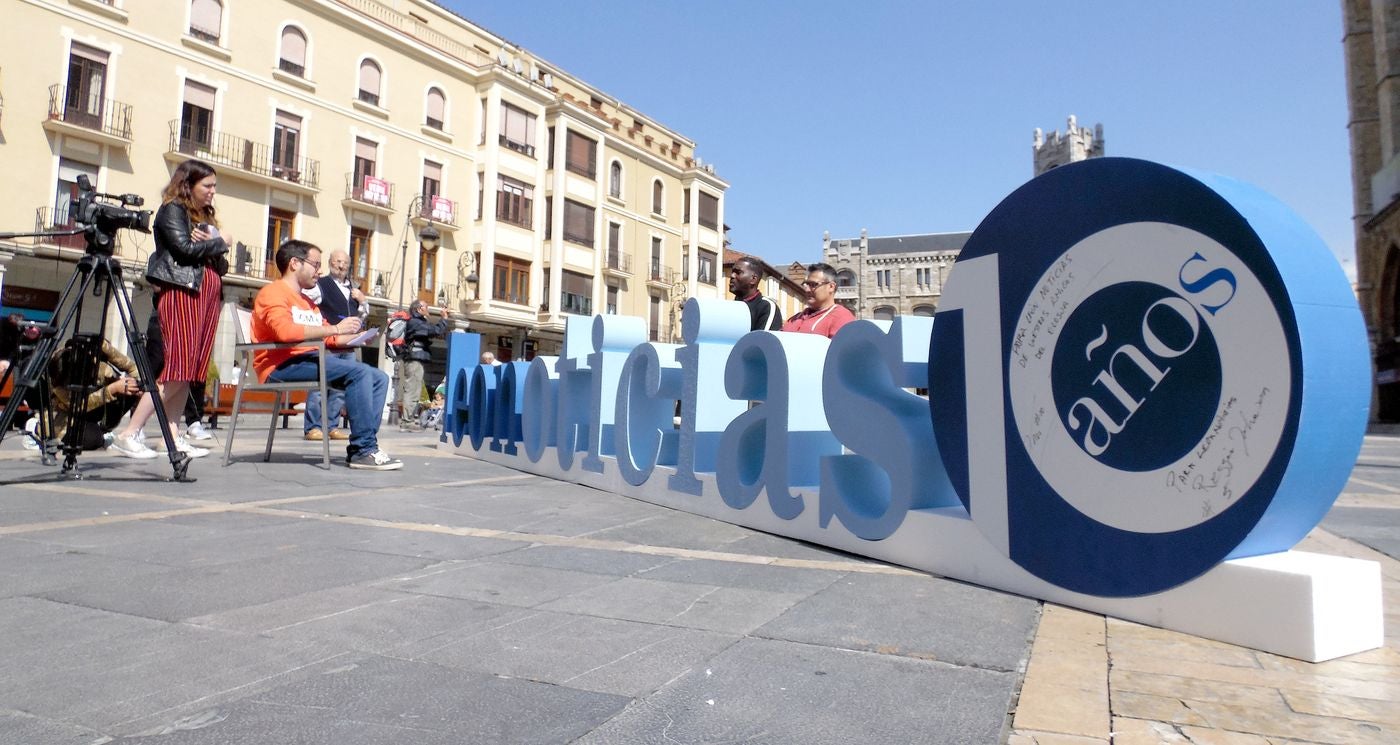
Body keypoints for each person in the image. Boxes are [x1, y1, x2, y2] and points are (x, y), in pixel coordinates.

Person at [111, 159, 230, 460]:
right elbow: (183, 251)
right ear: (188, 185)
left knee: (189, 371)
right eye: (208, 186)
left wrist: (216, 243)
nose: (213, 192)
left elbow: (221, 266)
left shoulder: (203, 218)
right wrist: (220, 243)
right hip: (183, 295)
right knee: (175, 368)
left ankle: (171, 436)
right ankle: (130, 432)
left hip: (203, 296)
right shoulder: (172, 210)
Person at [252, 239, 401, 470]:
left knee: (379, 378)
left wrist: (357, 337)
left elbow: (328, 338)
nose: (319, 271)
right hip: (280, 365)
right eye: (315, 264)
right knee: (360, 374)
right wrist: (335, 328)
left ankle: (362, 447)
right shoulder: (272, 293)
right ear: (294, 263)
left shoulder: (306, 302)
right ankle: (364, 449)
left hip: (309, 358)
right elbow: (284, 331)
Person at [300, 248, 363, 442]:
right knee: (319, 386)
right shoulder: (322, 285)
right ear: (330, 263)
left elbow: (362, 315)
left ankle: (332, 426)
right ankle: (312, 427)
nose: (341, 265)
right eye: (337, 262)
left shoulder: (354, 289)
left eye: (344, 262)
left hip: (348, 345)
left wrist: (362, 301)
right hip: (328, 343)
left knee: (339, 390)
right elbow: (306, 302)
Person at [47, 337, 148, 454]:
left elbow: (133, 368)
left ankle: (132, 431)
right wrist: (113, 388)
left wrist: (135, 384)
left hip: (97, 406)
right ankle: (35, 426)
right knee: (93, 439)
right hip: (69, 415)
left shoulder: (98, 350)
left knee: (134, 387)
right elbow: (77, 405)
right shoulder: (58, 371)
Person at [397, 298, 449, 432]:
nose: (428, 309)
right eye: (426, 306)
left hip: (415, 359)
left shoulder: (418, 322)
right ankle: (406, 422)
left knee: (415, 389)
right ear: (419, 309)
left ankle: (408, 420)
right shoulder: (416, 322)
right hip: (414, 359)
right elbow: (435, 331)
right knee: (412, 390)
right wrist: (443, 319)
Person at [781, 262, 856, 339]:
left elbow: (840, 350)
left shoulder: (842, 318)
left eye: (813, 285)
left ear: (831, 287)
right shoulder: (794, 319)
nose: (807, 290)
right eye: (806, 284)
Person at [728, 256, 782, 332]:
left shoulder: (766, 307)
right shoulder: (728, 308)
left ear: (753, 279)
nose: (732, 276)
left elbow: (761, 340)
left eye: (738, 272)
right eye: (732, 272)